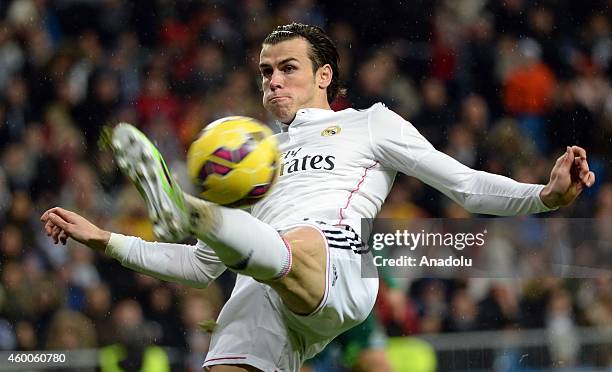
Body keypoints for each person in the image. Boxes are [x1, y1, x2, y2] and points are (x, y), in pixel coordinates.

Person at [41, 23, 595, 372]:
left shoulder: (369, 124)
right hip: (264, 283)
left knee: (290, 240)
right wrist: (107, 240)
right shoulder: (250, 165)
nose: (273, 82)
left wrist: (543, 196)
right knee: (239, 293)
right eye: (265, 72)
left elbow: (466, 184)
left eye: (287, 69)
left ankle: (187, 209)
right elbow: (194, 267)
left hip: (341, 257)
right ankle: (190, 213)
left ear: (324, 74)